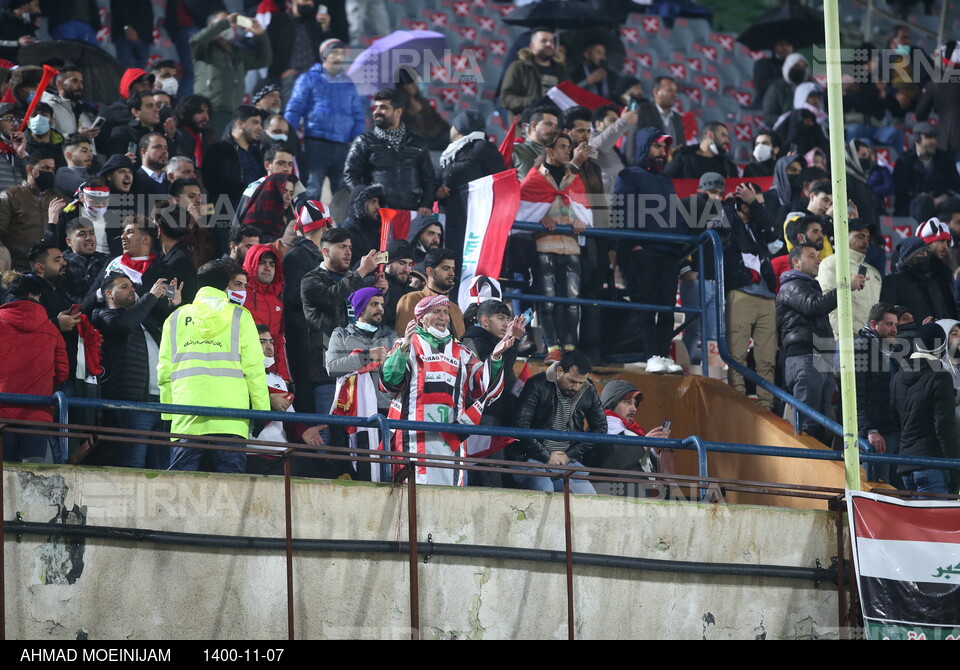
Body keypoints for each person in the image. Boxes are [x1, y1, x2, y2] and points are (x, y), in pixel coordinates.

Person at [379, 294, 512, 486]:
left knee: (449, 497)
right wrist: (403, 350)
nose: (443, 317)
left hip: (451, 439)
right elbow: (389, 384)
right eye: (436, 312)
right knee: (411, 496)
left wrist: (497, 357)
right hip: (412, 437)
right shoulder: (406, 344)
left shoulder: (463, 352)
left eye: (445, 312)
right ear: (421, 318)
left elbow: (483, 389)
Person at [160, 260, 270, 473]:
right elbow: (254, 369)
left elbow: (165, 372)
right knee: (231, 490)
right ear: (225, 285)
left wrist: (168, 414)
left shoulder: (175, 318)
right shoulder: (240, 316)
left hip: (186, 416)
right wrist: (261, 412)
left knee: (180, 489)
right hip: (231, 418)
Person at [776, 243, 865, 445]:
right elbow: (814, 307)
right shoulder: (791, 285)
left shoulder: (809, 286)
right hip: (805, 357)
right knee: (808, 423)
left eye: (818, 255)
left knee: (823, 423)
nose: (818, 259)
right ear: (796, 263)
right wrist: (844, 288)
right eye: (811, 256)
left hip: (819, 358)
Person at [94, 272, 182, 469]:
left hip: (161, 401)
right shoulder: (105, 316)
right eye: (124, 287)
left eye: (132, 286)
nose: (131, 289)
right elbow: (122, 326)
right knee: (133, 465)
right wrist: (150, 297)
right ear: (109, 294)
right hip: (132, 406)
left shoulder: (144, 319)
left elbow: (173, 333)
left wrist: (174, 306)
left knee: (162, 468)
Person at [613, 128, 682, 364]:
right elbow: (620, 212)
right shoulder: (628, 175)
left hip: (669, 253)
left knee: (667, 310)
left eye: (664, 147)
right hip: (642, 252)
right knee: (645, 307)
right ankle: (650, 357)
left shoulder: (665, 179)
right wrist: (632, 246)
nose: (662, 152)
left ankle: (662, 357)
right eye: (657, 146)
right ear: (644, 147)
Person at [520, 133, 590, 361]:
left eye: (569, 147)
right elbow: (523, 212)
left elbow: (584, 210)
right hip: (544, 246)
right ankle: (553, 349)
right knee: (547, 300)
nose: (568, 151)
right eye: (562, 147)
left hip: (571, 248)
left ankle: (569, 349)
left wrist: (583, 221)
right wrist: (539, 220)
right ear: (550, 151)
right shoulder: (534, 179)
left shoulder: (574, 179)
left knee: (572, 300)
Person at [301, 227, 385, 417]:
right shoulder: (311, 280)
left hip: (362, 371)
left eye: (350, 247)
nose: (348, 252)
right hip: (328, 374)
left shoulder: (358, 281)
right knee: (330, 435)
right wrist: (362, 271)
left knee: (361, 437)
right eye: (341, 247)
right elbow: (331, 297)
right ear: (325, 251)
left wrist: (377, 297)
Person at [510, 349, 606, 494]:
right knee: (545, 493)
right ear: (560, 371)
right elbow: (521, 425)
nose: (576, 387)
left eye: (581, 382)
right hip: (531, 458)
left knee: (589, 500)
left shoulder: (588, 389)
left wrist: (570, 455)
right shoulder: (536, 384)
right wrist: (546, 456)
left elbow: (600, 428)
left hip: (568, 461)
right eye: (572, 381)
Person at [326, 287, 396, 480]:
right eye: (374, 304)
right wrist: (367, 357)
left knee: (383, 470)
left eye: (382, 305)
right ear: (360, 308)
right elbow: (332, 367)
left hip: (383, 411)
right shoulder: (341, 334)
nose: (380, 309)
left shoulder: (392, 336)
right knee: (355, 471)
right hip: (350, 413)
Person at [284, 38, 365, 200]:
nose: (339, 57)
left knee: (343, 195)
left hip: (343, 146)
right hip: (315, 143)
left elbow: (358, 116)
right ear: (324, 55)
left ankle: (341, 226)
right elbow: (294, 109)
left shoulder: (349, 84)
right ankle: (307, 224)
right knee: (312, 190)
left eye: (342, 53)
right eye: (334, 52)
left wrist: (357, 143)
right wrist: (287, 138)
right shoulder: (308, 79)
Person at [722, 182, 779, 410]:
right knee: (736, 354)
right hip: (741, 294)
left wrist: (754, 203)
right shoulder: (730, 222)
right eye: (754, 202)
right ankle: (737, 404)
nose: (760, 207)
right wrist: (728, 203)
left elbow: (775, 238)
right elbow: (722, 231)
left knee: (767, 359)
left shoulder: (759, 228)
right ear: (741, 204)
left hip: (767, 296)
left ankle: (766, 406)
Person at [0, 273, 68, 462]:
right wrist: (42, 381)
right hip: (37, 414)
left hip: (2, 413)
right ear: (32, 295)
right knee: (33, 477)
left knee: (4, 477)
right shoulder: (51, 329)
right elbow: (62, 373)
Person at [343, 88, 437, 215]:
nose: (377, 112)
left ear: (398, 112)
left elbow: (429, 179)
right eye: (375, 107)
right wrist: (366, 200)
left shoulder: (418, 143)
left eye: (383, 107)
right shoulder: (363, 141)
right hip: (376, 213)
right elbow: (350, 174)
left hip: (410, 212)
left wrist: (426, 204)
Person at [891, 322, 959, 495]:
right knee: (936, 521)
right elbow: (944, 427)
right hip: (933, 464)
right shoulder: (940, 377)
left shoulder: (897, 377)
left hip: (906, 464)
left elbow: (895, 419)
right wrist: (955, 467)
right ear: (942, 348)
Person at [248, 324, 325, 476]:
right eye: (262, 342)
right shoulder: (240, 376)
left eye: (270, 341)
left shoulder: (278, 380)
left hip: (281, 455)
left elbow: (289, 419)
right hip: (252, 454)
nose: (269, 346)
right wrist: (269, 400)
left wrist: (304, 431)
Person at [190, 12, 272, 137]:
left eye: (231, 24)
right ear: (211, 26)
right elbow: (195, 40)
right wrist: (224, 23)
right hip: (211, 110)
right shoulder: (204, 49)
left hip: (234, 112)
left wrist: (260, 34)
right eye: (225, 23)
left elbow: (264, 60)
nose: (230, 26)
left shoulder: (237, 52)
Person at [437, 110, 505, 258]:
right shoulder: (452, 152)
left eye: (453, 125)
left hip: (472, 218)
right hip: (450, 216)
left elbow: (499, 182)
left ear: (462, 127)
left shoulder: (482, 147)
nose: (451, 129)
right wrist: (439, 189)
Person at [589, 380, 672, 497]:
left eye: (635, 404)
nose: (634, 409)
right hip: (618, 498)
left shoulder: (635, 432)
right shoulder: (599, 429)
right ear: (611, 402)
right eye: (627, 402)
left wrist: (660, 448)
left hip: (648, 497)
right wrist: (644, 445)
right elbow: (608, 463)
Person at [854, 303, 902, 485]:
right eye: (889, 324)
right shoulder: (860, 350)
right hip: (875, 436)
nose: (894, 330)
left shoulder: (895, 351)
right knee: (877, 487)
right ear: (874, 324)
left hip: (894, 431)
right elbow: (855, 395)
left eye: (896, 325)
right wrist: (869, 430)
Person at [0, 147, 63, 272]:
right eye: (45, 168)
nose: (50, 172)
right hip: (17, 269)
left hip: (49, 270)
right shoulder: (9, 197)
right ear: (29, 169)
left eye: (52, 169)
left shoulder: (57, 198)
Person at [816, 220, 882, 338]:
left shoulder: (874, 273)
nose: (866, 242)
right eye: (860, 236)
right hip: (844, 340)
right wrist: (843, 336)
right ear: (844, 236)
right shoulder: (831, 263)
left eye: (868, 238)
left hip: (871, 339)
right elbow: (827, 302)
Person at [892, 121, 960, 220]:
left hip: (942, 203)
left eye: (935, 137)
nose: (933, 141)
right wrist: (925, 198)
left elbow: (955, 185)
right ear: (917, 138)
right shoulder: (905, 160)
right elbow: (902, 188)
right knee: (924, 202)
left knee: (953, 204)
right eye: (929, 137)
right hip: (913, 204)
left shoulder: (945, 158)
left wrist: (940, 199)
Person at [499, 29, 569, 122]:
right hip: (526, 127)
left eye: (552, 41)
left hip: (555, 127)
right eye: (544, 41)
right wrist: (532, 102)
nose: (549, 44)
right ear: (532, 46)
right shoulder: (519, 67)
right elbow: (505, 99)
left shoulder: (561, 69)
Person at [242, 244, 289, 381]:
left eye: (272, 264)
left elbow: (279, 342)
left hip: (270, 373)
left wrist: (283, 377)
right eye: (262, 263)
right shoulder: (241, 295)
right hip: (245, 371)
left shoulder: (278, 300)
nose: (268, 268)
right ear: (252, 264)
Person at [395, 248, 465, 339]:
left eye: (453, 269)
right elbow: (402, 339)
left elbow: (462, 344)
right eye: (446, 268)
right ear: (430, 271)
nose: (452, 273)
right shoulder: (411, 299)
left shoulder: (456, 310)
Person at [880, 236, 952, 325]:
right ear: (908, 258)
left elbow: (944, 314)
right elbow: (887, 315)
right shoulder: (892, 282)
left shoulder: (932, 284)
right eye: (921, 253)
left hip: (937, 336)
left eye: (927, 253)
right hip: (907, 337)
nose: (925, 257)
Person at [664, 122, 738, 179]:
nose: (727, 141)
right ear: (710, 135)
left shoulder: (728, 166)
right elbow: (664, 181)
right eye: (723, 135)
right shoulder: (683, 157)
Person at [62, 219, 108, 305]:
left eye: (91, 233)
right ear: (69, 241)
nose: (89, 238)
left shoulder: (106, 260)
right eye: (81, 234)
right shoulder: (61, 264)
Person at [511, 106, 560, 180]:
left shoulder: (558, 154)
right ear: (534, 125)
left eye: (556, 126)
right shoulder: (514, 151)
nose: (553, 129)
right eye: (549, 124)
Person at [382, 239, 414, 332]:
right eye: (402, 263)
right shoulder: (374, 285)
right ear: (388, 263)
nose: (407, 269)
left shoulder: (414, 293)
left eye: (410, 264)